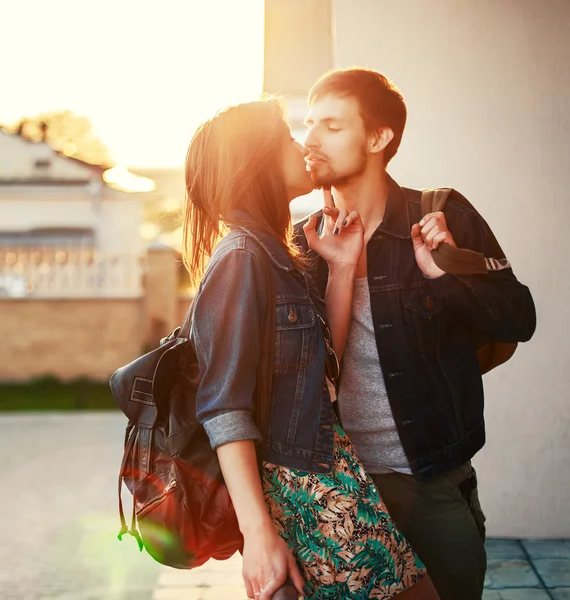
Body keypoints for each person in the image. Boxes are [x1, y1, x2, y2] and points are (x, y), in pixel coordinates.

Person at [294, 67, 537, 600]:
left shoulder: (442, 215)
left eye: (331, 126)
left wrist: (443, 275)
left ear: (379, 138)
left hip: (432, 483)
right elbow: (304, 375)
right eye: (308, 123)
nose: (309, 140)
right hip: (338, 492)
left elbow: (519, 319)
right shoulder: (303, 243)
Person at [183, 99, 440, 600]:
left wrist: (342, 267)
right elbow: (223, 407)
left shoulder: (275, 253)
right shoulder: (240, 257)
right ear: (257, 160)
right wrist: (258, 535)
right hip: (307, 489)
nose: (303, 146)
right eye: (287, 137)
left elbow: (324, 370)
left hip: (331, 473)